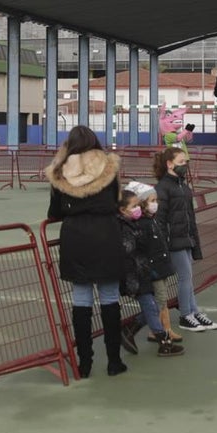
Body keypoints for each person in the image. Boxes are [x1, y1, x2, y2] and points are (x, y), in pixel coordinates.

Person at [46, 125, 127, 378]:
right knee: (110, 298)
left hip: (76, 237)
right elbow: (116, 200)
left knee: (81, 300)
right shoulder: (109, 167)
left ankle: (85, 363)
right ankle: (114, 360)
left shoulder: (60, 173)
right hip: (106, 234)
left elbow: (54, 212)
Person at [154, 146, 217, 332]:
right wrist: (164, 246)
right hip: (174, 241)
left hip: (186, 238)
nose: (185, 166)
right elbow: (160, 219)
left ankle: (193, 311)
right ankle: (185, 315)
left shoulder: (183, 186)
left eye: (185, 162)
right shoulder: (163, 188)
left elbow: (189, 215)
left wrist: (194, 239)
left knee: (188, 278)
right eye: (181, 162)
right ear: (169, 164)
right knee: (185, 278)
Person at [118, 190, 185, 359]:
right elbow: (128, 250)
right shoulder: (124, 227)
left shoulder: (136, 223)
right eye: (133, 206)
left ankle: (130, 329)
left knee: (153, 306)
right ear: (122, 210)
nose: (137, 209)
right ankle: (164, 342)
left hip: (142, 272)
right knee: (151, 306)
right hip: (134, 275)